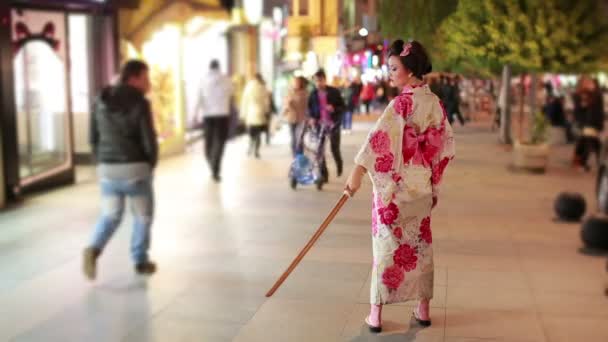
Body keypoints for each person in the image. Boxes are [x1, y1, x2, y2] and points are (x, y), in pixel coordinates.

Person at [344, 40, 455, 333]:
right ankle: (423, 308)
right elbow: (444, 147)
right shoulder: (435, 103)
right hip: (421, 184)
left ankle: (376, 314)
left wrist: (356, 173)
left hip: (395, 187)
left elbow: (377, 143)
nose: (390, 73)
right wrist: (433, 181)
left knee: (386, 247)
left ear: (410, 70)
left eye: (394, 68)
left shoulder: (401, 104)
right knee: (419, 246)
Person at [83, 60, 159, 280]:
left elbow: (92, 138)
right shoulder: (140, 102)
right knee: (143, 216)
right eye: (146, 77)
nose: (149, 83)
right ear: (133, 78)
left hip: (107, 169)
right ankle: (140, 261)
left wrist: (101, 162)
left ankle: (93, 249)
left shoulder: (99, 99)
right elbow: (148, 139)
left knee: (110, 215)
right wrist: (149, 164)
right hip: (135, 168)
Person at [196, 59, 234, 182]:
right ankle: (215, 168)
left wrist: (195, 114)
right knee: (220, 143)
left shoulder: (203, 79)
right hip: (223, 115)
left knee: (208, 143)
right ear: (219, 67)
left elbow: (198, 97)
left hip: (208, 116)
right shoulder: (226, 79)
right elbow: (232, 93)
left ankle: (212, 163)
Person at [308, 69, 346, 179]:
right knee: (320, 150)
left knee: (334, 149)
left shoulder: (334, 91)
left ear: (325, 80)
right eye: (316, 81)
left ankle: (339, 164)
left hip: (333, 124)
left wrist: (334, 108)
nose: (318, 83)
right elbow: (310, 108)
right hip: (319, 125)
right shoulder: (313, 94)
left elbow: (343, 106)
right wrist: (312, 118)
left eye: (320, 80)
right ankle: (324, 174)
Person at [241, 73, 270, 159]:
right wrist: (266, 111)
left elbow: (244, 101)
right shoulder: (263, 87)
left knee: (251, 132)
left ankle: (250, 145)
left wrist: (243, 114)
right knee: (258, 134)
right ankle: (256, 151)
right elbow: (266, 102)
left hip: (250, 113)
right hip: (260, 113)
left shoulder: (248, 87)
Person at [283, 76, 309, 156]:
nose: (295, 84)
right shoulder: (289, 92)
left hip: (302, 119)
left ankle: (299, 155)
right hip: (291, 118)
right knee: (293, 138)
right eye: (294, 82)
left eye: (297, 82)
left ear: (301, 83)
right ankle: (295, 155)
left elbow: (308, 106)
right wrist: (287, 106)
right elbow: (285, 104)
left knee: (299, 138)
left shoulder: (305, 93)